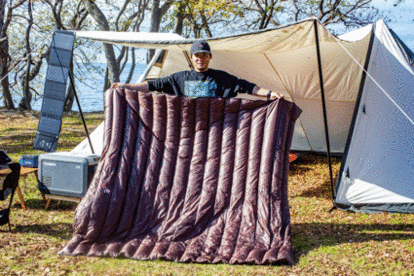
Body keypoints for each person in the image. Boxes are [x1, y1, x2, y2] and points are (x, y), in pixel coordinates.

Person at [112, 40, 283, 100]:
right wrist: (126, 87)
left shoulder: (222, 78)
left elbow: (248, 87)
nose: (201, 59)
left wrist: (270, 94)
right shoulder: (178, 78)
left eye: (204, 55)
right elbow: (151, 85)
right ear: (192, 58)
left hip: (217, 129)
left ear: (210, 57)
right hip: (188, 130)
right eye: (197, 56)